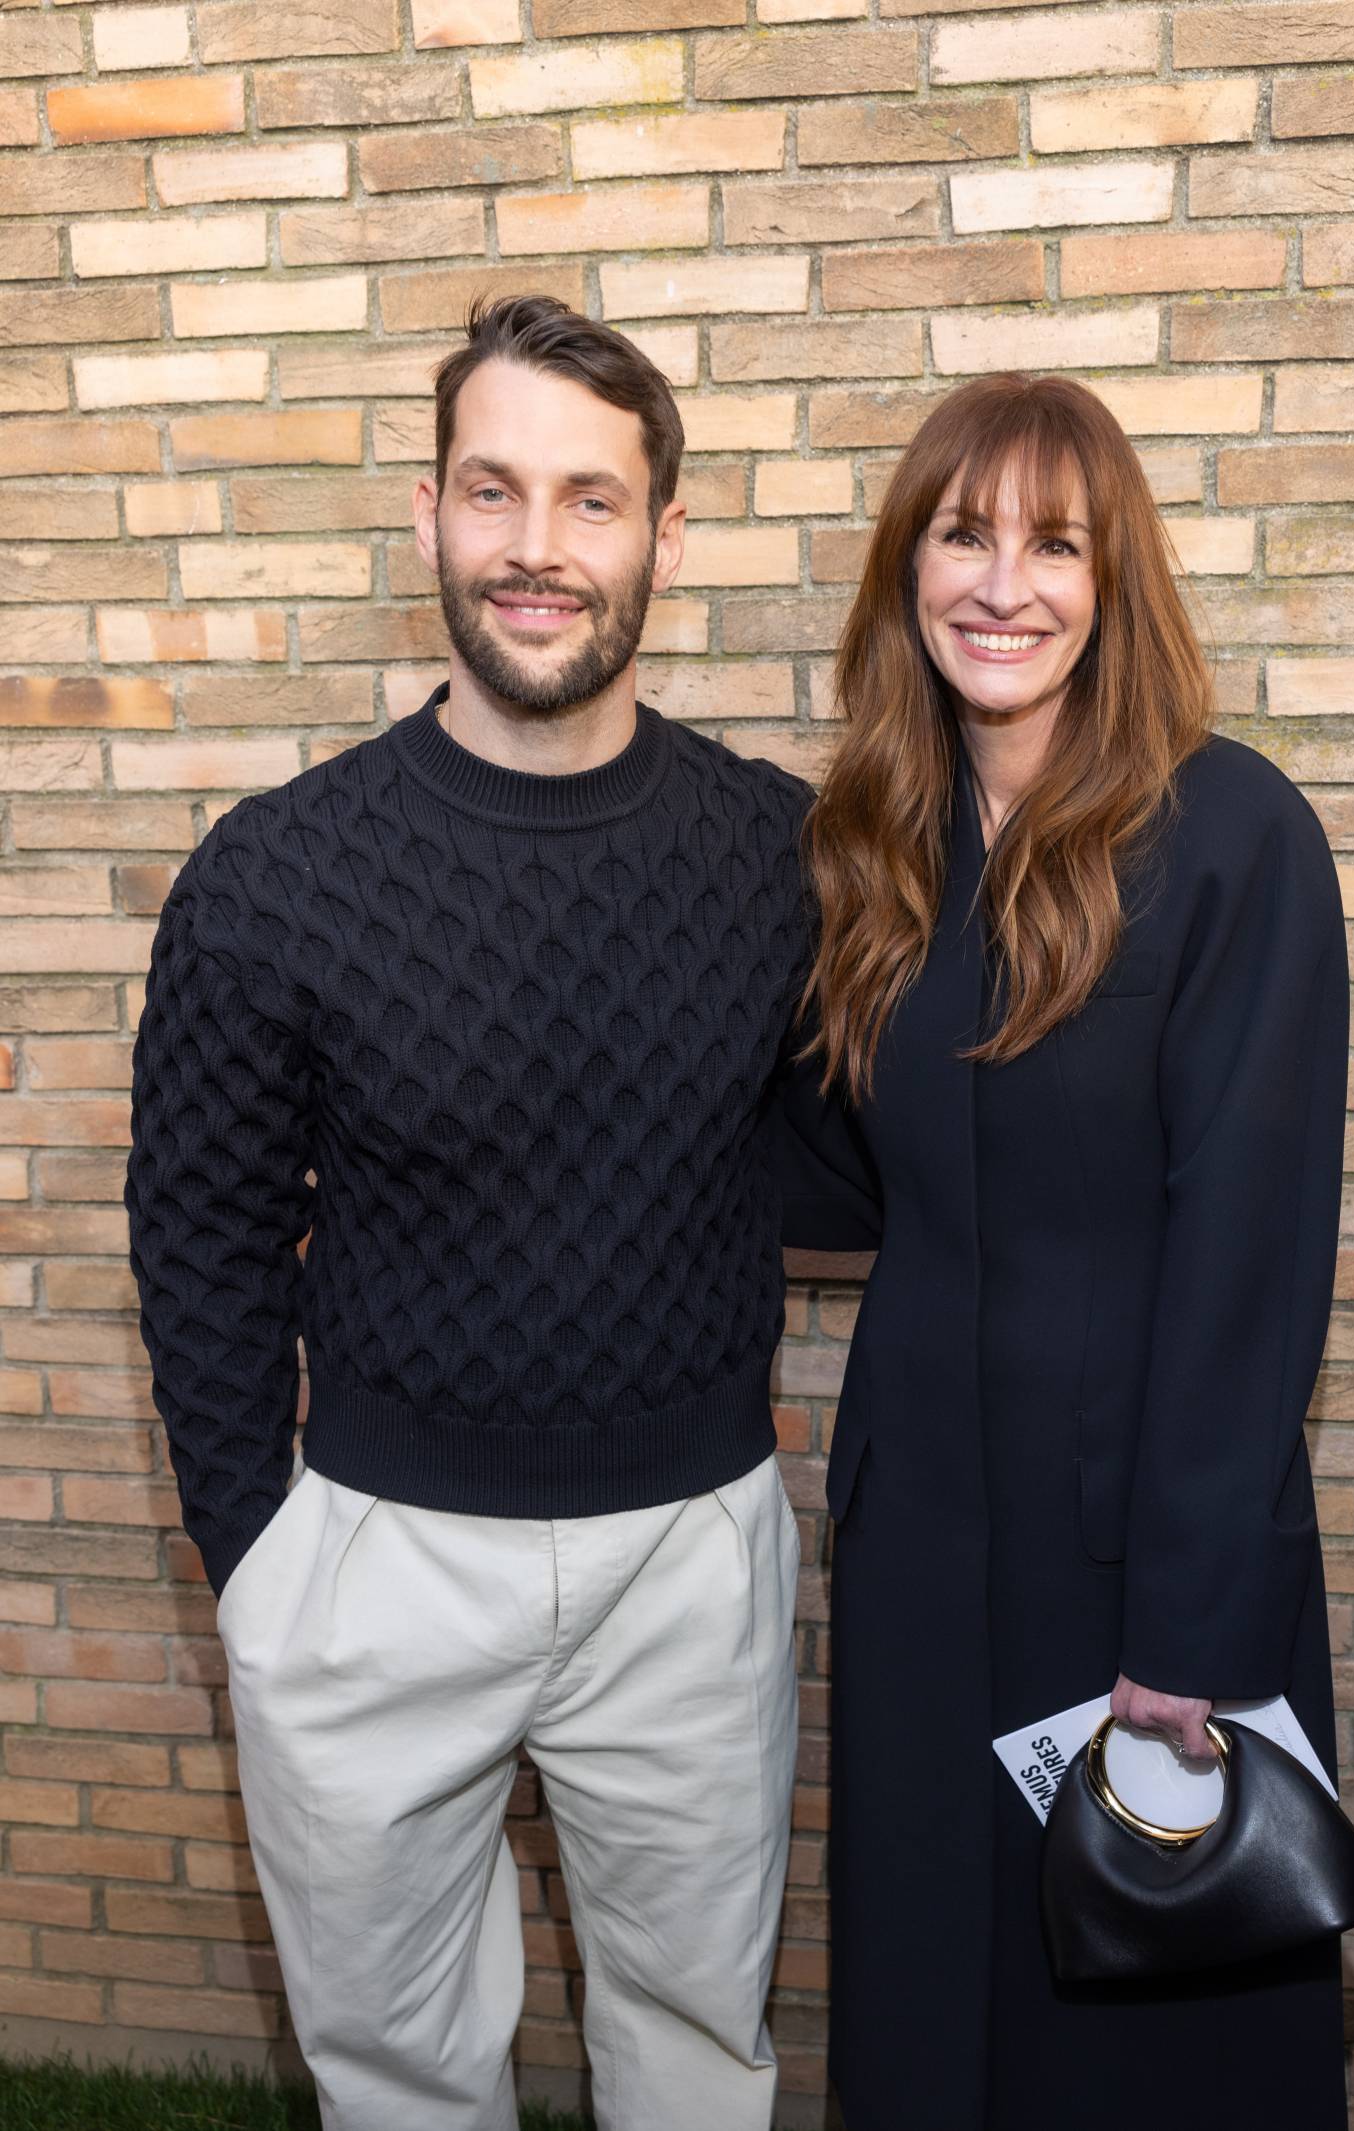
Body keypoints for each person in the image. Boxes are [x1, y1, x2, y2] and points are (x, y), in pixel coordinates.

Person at [124, 293, 813, 2131]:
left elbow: (851, 1150)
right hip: (368, 1560)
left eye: (591, 501)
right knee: (399, 2077)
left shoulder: (780, 854)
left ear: (668, 536)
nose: (536, 548)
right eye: (493, 491)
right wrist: (256, 1553)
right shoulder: (277, 872)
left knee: (695, 2056)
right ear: (427, 515)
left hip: (691, 1557)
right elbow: (196, 1222)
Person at [779, 372, 1351, 2129]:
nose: (1001, 585)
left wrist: (1188, 1628)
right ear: (907, 573)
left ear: (1116, 583)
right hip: (921, 1540)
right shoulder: (879, 848)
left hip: (1139, 1561)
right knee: (935, 1995)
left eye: (1053, 544)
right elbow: (836, 1183)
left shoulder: (1234, 834)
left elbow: (1251, 1265)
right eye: (961, 538)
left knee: (1143, 2031)